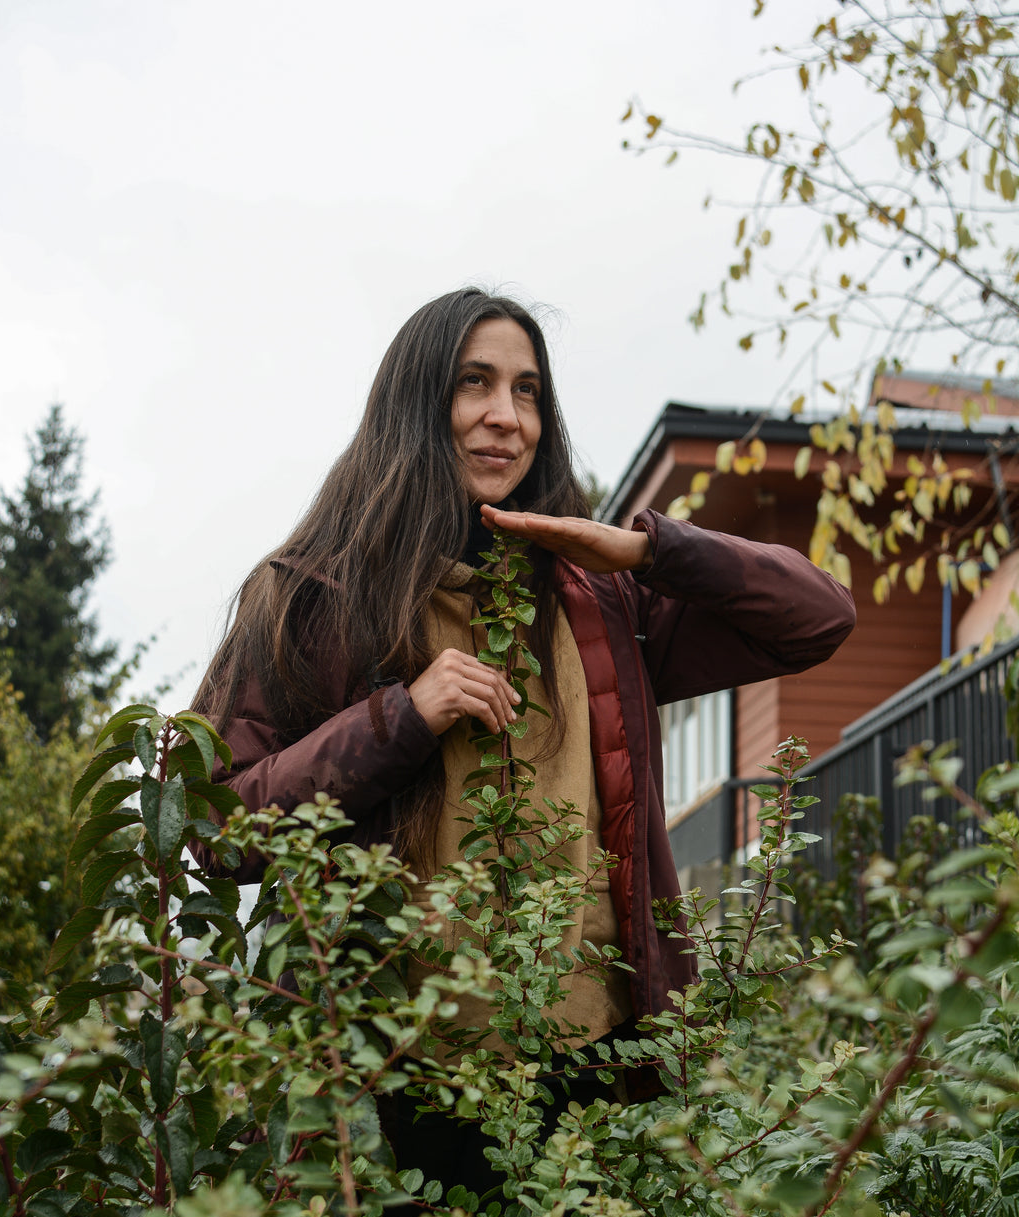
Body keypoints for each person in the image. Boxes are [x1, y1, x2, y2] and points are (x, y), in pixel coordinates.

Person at [191, 285, 855, 1107]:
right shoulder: (309, 598)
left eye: (527, 390)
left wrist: (651, 553)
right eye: (475, 382)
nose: (507, 415)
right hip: (398, 1074)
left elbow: (818, 619)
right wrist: (400, 718)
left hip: (599, 1056)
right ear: (414, 406)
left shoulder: (604, 601)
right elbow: (218, 828)